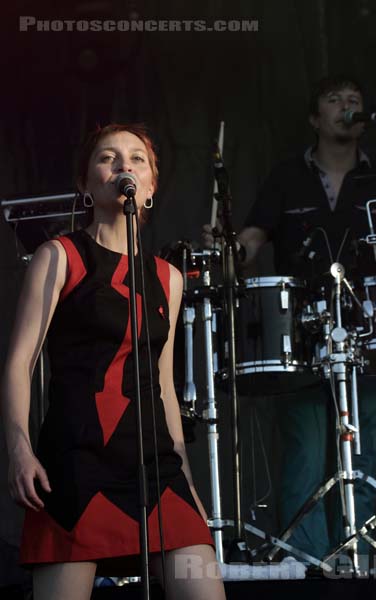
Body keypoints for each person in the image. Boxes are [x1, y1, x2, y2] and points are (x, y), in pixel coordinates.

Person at [1, 123, 226, 600]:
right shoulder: (59, 256)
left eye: (137, 158)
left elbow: (162, 383)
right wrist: (20, 449)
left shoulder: (168, 277)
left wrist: (186, 480)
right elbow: (20, 362)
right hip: (78, 462)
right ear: (86, 183)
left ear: (149, 186)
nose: (123, 165)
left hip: (155, 468)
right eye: (108, 157)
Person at [203, 75, 376, 564]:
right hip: (303, 334)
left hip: (367, 331)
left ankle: (359, 562)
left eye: (355, 101)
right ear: (315, 119)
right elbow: (252, 238)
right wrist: (228, 250)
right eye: (335, 100)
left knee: (364, 453)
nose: (347, 106)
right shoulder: (287, 177)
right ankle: (307, 566)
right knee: (307, 454)